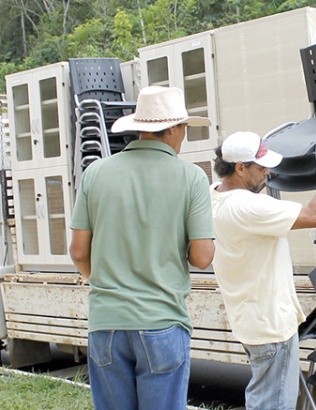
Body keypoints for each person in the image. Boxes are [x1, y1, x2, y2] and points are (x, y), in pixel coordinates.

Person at [69, 86, 216, 410]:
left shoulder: (96, 173)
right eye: (185, 128)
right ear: (175, 129)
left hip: (106, 323)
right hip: (161, 320)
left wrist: (105, 280)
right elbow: (203, 257)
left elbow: (79, 251)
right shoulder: (191, 177)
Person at [210, 132, 316, 410]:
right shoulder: (248, 206)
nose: (268, 173)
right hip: (270, 326)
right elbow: (315, 215)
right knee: (274, 405)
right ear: (240, 168)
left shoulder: (214, 194)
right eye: (261, 168)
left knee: (264, 399)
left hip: (249, 319)